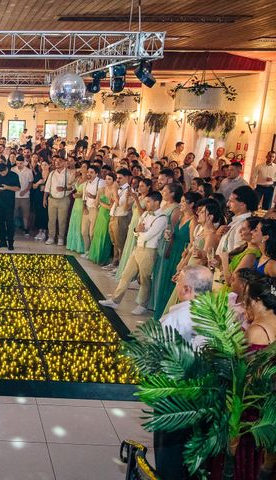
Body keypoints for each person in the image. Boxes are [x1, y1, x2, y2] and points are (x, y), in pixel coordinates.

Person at [153, 265, 213, 480]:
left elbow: (158, 352)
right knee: (191, 447)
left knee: (169, 450)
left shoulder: (177, 318)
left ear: (186, 289)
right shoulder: (217, 313)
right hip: (205, 394)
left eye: (178, 283)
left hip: (176, 394)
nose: (177, 285)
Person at [99, 191, 167, 314]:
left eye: (148, 201)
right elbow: (136, 230)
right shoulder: (146, 213)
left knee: (144, 279)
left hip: (149, 251)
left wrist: (140, 231)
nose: (146, 203)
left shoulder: (162, 218)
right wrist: (138, 230)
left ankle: (143, 305)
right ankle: (115, 300)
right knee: (126, 275)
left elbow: (148, 235)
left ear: (156, 202)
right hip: (138, 248)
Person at [152, 191, 201, 320]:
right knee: (165, 281)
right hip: (173, 249)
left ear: (192, 205)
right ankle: (159, 314)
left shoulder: (193, 221)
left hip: (181, 253)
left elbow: (192, 243)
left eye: (185, 201)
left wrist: (184, 259)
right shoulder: (181, 216)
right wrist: (170, 235)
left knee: (172, 285)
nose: (181, 204)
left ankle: (167, 316)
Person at [216, 186, 258, 256]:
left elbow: (237, 252)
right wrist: (218, 235)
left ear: (242, 204)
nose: (227, 204)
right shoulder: (235, 220)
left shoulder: (244, 224)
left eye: (231, 201)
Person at [105, 168, 133, 270]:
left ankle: (120, 266)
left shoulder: (129, 191)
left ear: (127, 178)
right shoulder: (119, 188)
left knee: (120, 243)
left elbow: (118, 203)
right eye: (117, 178)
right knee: (114, 242)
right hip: (114, 216)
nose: (117, 180)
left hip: (121, 218)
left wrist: (114, 190)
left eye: (120, 178)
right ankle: (114, 262)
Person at [44, 156, 73, 246]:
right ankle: (51, 237)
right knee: (51, 220)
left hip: (63, 200)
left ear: (64, 163)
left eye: (59, 161)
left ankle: (61, 238)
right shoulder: (52, 173)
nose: (57, 163)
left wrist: (64, 189)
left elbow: (73, 187)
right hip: (52, 199)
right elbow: (47, 187)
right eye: (56, 161)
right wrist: (44, 198)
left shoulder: (69, 173)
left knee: (62, 220)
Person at [0, 163, 21, 251]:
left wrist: (7, 187)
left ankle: (11, 243)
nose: (2, 174)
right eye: (0, 172)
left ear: (7, 169)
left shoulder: (14, 175)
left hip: (9, 203)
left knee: (9, 223)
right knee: (0, 223)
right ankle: (3, 241)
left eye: (3, 172)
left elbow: (18, 188)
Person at [81, 165, 104, 254]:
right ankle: (87, 250)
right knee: (83, 231)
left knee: (92, 232)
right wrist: (84, 207)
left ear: (96, 174)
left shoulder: (101, 182)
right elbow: (84, 197)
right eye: (88, 172)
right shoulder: (86, 183)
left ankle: (92, 252)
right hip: (87, 208)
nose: (89, 174)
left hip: (95, 209)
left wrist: (93, 196)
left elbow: (102, 197)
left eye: (91, 172)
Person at [66, 165, 87, 253]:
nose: (82, 168)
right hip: (76, 202)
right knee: (74, 222)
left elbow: (88, 193)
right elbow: (70, 186)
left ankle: (80, 247)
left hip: (82, 203)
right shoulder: (78, 178)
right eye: (81, 167)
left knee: (79, 223)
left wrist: (80, 195)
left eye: (84, 167)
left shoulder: (88, 181)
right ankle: (73, 244)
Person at [12, 155, 33, 236]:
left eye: (21, 163)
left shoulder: (28, 171)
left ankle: (26, 229)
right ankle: (12, 227)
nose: (19, 165)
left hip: (25, 196)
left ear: (24, 163)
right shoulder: (13, 170)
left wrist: (24, 191)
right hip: (14, 195)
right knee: (13, 213)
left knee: (25, 214)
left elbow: (30, 183)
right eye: (17, 163)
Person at [31, 159, 49, 241]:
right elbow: (33, 186)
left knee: (45, 214)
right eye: (43, 165)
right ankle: (40, 231)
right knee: (38, 214)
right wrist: (38, 183)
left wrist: (46, 188)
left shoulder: (51, 175)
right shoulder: (38, 175)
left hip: (48, 197)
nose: (44, 166)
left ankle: (45, 232)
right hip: (38, 196)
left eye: (46, 164)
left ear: (49, 166)